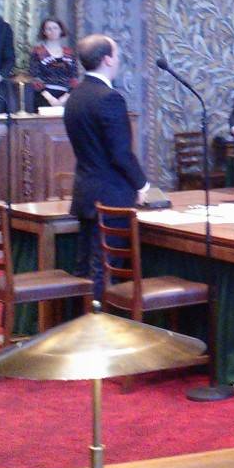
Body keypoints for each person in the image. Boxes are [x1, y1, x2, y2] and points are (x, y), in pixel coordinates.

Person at [63, 33, 151, 300]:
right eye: (116, 54)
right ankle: (101, 333)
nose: (118, 59)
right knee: (105, 270)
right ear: (107, 59)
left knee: (84, 270)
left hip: (86, 192)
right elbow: (120, 153)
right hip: (111, 197)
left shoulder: (75, 97)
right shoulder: (109, 98)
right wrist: (142, 184)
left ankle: (80, 326)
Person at [29, 17, 80, 107]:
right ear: (44, 32)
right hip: (44, 96)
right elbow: (35, 77)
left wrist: (64, 98)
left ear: (61, 30)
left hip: (66, 96)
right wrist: (51, 99)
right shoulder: (38, 52)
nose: (53, 31)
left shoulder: (69, 53)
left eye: (55, 28)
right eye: (49, 29)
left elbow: (74, 78)